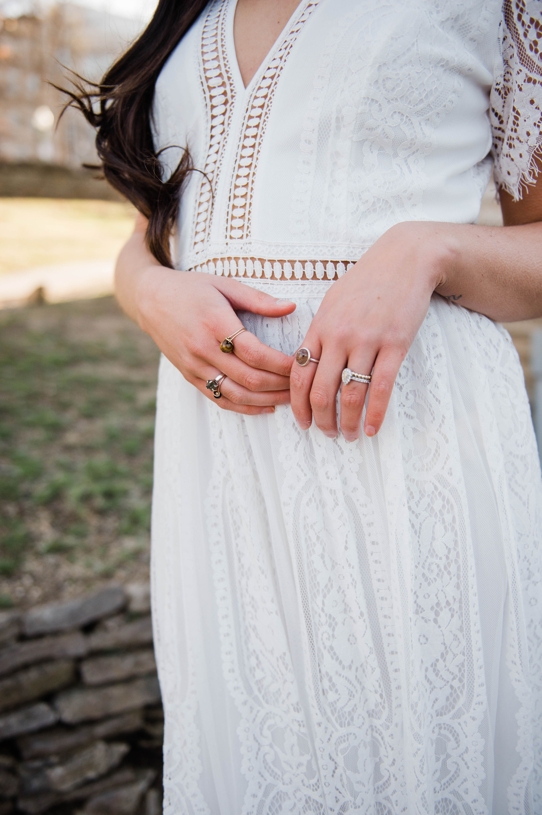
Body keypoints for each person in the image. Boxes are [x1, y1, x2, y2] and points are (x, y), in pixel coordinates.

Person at [67, 0, 542, 811]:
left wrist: (429, 249)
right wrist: (151, 291)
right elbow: (156, 229)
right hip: (223, 466)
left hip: (410, 449)